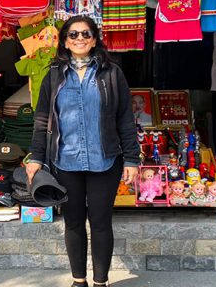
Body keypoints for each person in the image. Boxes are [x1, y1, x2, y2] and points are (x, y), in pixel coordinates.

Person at [27, 16, 140, 287]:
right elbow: (43, 119)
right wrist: (36, 157)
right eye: (74, 34)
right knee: (74, 223)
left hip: (105, 160)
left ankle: (100, 282)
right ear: (64, 40)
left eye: (86, 34)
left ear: (95, 38)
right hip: (65, 160)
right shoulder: (54, 74)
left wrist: (132, 158)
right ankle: (79, 281)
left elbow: (125, 117)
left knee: (101, 223)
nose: (80, 39)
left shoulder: (111, 73)